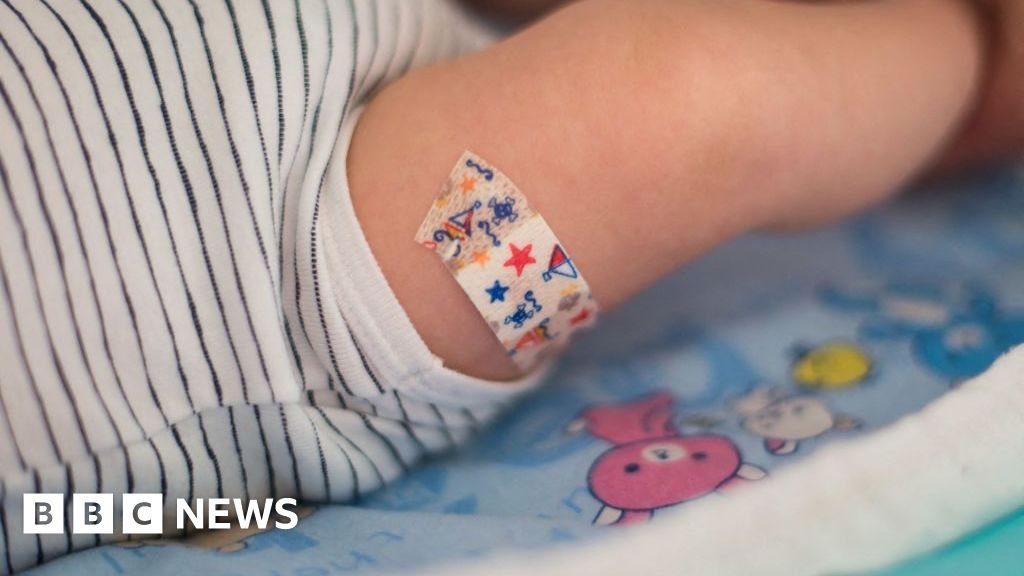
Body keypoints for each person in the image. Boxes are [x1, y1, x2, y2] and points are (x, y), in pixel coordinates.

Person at [0, 0, 1018, 571]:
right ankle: (975, 60)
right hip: (267, 259)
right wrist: (974, 50)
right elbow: (697, 108)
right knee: (681, 107)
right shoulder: (384, 238)